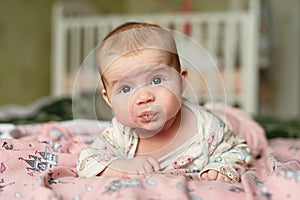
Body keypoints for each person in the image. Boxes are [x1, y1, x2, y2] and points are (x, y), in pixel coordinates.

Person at [76, 22, 252, 182]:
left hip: (218, 119)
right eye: (126, 89)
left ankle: (226, 112)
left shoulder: (206, 128)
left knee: (242, 127)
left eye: (156, 80)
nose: (144, 97)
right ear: (109, 99)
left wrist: (221, 167)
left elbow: (238, 150)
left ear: (181, 81)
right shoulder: (120, 134)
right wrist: (123, 167)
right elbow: (87, 161)